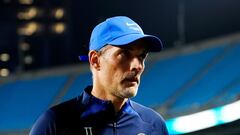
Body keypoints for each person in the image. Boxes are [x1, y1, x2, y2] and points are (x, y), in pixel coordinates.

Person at [30, 16, 169, 135]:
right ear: (95, 60)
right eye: (124, 54)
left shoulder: (154, 125)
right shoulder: (55, 123)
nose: (137, 66)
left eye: (141, 56)